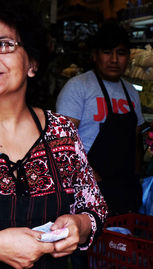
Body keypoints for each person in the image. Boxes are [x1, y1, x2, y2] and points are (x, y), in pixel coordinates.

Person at [0, 1, 108, 268]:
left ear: (32, 64)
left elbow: (94, 207)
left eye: (4, 44)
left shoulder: (61, 132)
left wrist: (78, 226)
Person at [56, 21, 144, 216]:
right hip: (88, 186)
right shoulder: (78, 87)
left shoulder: (131, 92)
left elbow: (135, 141)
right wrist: (86, 174)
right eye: (107, 52)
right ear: (94, 56)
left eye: (120, 53)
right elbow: (62, 141)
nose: (114, 59)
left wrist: (136, 177)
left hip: (123, 187)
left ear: (128, 57)